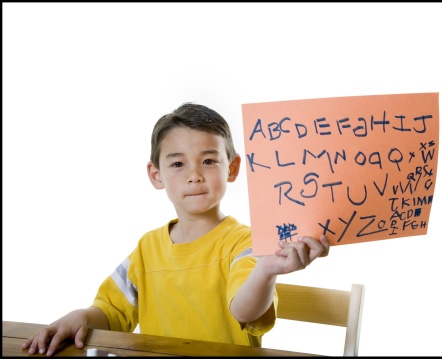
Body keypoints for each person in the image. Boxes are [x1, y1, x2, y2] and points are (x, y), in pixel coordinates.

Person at [22, 103, 330, 356]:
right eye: (178, 164)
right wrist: (81, 316)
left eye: (209, 161)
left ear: (232, 168)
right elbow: (111, 313)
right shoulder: (147, 248)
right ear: (156, 175)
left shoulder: (245, 242)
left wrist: (265, 271)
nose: (194, 175)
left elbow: (245, 311)